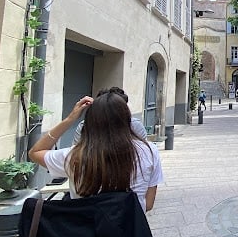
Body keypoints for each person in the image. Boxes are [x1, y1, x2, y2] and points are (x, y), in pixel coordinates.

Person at [29, 91, 163, 213]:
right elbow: (148, 204)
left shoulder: (76, 156)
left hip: (85, 234)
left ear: (90, 121)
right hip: (130, 234)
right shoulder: (150, 151)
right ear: (127, 118)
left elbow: (35, 152)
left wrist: (69, 119)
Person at [72, 86, 147, 144]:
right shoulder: (85, 126)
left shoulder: (135, 126)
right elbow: (75, 156)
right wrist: (71, 118)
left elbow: (144, 155)